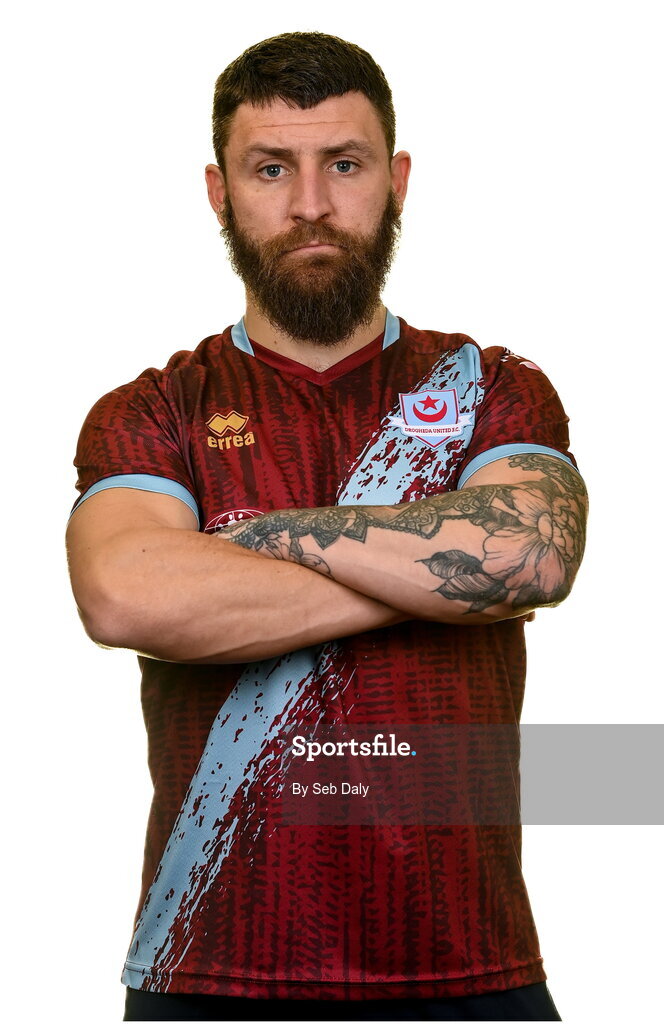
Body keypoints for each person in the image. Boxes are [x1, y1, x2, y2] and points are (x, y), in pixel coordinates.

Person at [66, 31, 587, 1022]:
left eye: (342, 164)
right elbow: (125, 588)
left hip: (466, 970)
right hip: (208, 973)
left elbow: (527, 551)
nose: (311, 202)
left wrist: (236, 551)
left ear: (393, 180)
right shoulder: (154, 410)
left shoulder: (491, 390)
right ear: (220, 191)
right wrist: (436, 567)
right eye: (272, 168)